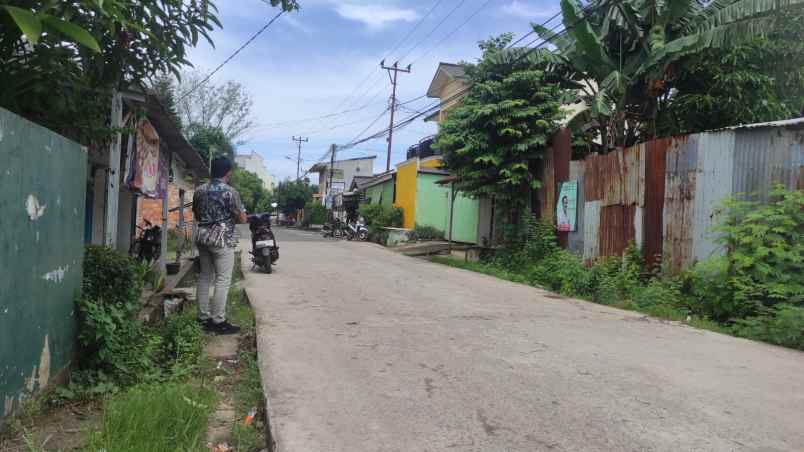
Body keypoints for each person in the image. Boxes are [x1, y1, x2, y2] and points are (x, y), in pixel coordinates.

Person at [192, 157, 247, 334]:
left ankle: (202, 318)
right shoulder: (230, 192)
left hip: (202, 237)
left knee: (205, 276)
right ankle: (218, 321)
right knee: (223, 279)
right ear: (228, 172)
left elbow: (196, 213)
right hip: (221, 239)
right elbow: (242, 218)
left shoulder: (199, 190)